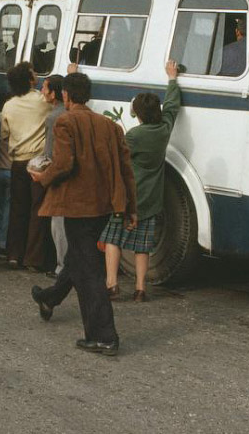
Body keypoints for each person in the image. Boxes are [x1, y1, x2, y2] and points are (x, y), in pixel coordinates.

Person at [29, 72, 137, 356]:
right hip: (103, 207)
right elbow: (126, 171)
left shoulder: (65, 121)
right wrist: (130, 208)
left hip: (76, 207)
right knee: (79, 259)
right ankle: (49, 298)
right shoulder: (110, 126)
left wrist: (42, 177)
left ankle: (104, 336)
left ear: (65, 95)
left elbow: (64, 164)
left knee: (89, 273)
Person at [102, 60, 182, 302]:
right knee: (142, 246)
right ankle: (140, 289)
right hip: (152, 198)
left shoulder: (134, 135)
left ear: (137, 113)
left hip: (129, 196)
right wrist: (172, 79)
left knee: (113, 239)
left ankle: (112, 284)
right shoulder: (164, 129)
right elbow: (172, 106)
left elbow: (117, 160)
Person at [0, 61, 51, 270]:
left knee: (17, 209)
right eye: (34, 72)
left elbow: (4, 134)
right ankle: (33, 258)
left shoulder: (8, 105)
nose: (37, 74)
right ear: (30, 80)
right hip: (38, 162)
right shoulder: (41, 101)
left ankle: (13, 254)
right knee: (37, 209)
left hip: (18, 162)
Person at [41, 73, 67, 274]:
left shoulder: (53, 118)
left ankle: (61, 267)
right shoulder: (72, 113)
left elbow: (49, 154)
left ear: (54, 94)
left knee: (58, 224)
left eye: (45, 88)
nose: (42, 91)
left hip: (59, 177)